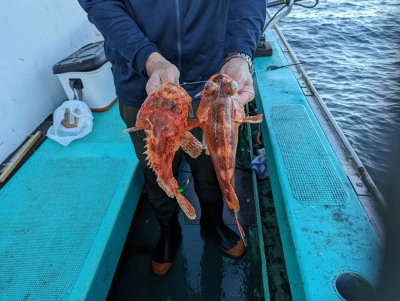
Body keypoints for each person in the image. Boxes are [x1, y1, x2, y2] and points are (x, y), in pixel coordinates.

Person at [78, 0, 266, 276]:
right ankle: (168, 230)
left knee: (212, 168)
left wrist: (239, 54)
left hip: (211, 85)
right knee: (157, 171)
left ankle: (212, 222)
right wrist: (149, 58)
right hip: (146, 83)